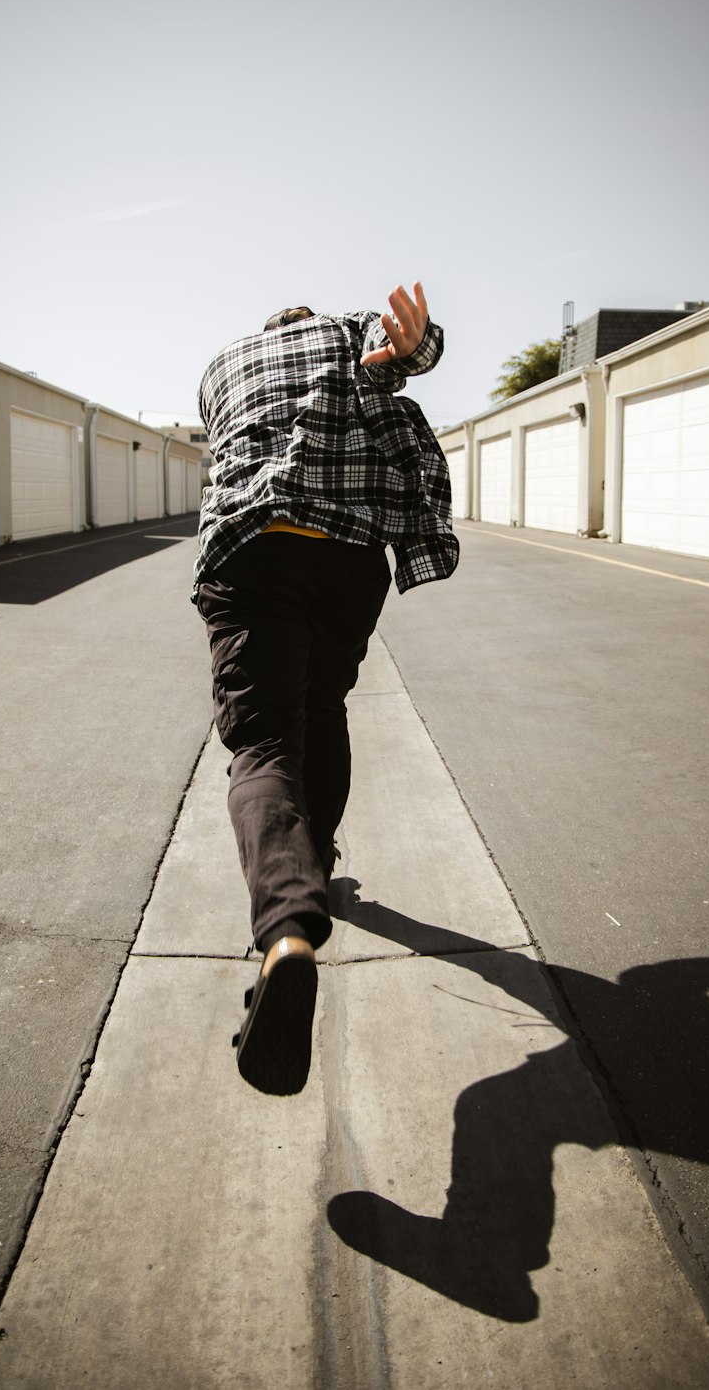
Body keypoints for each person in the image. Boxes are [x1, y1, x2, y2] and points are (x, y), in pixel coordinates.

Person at [193, 281, 458, 1094]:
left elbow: (224, 443)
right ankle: (319, 859)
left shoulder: (222, 365)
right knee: (325, 708)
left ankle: (287, 929)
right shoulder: (346, 337)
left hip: (258, 547)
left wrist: (403, 353)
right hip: (349, 560)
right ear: (309, 326)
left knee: (265, 741)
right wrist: (413, 351)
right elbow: (404, 349)